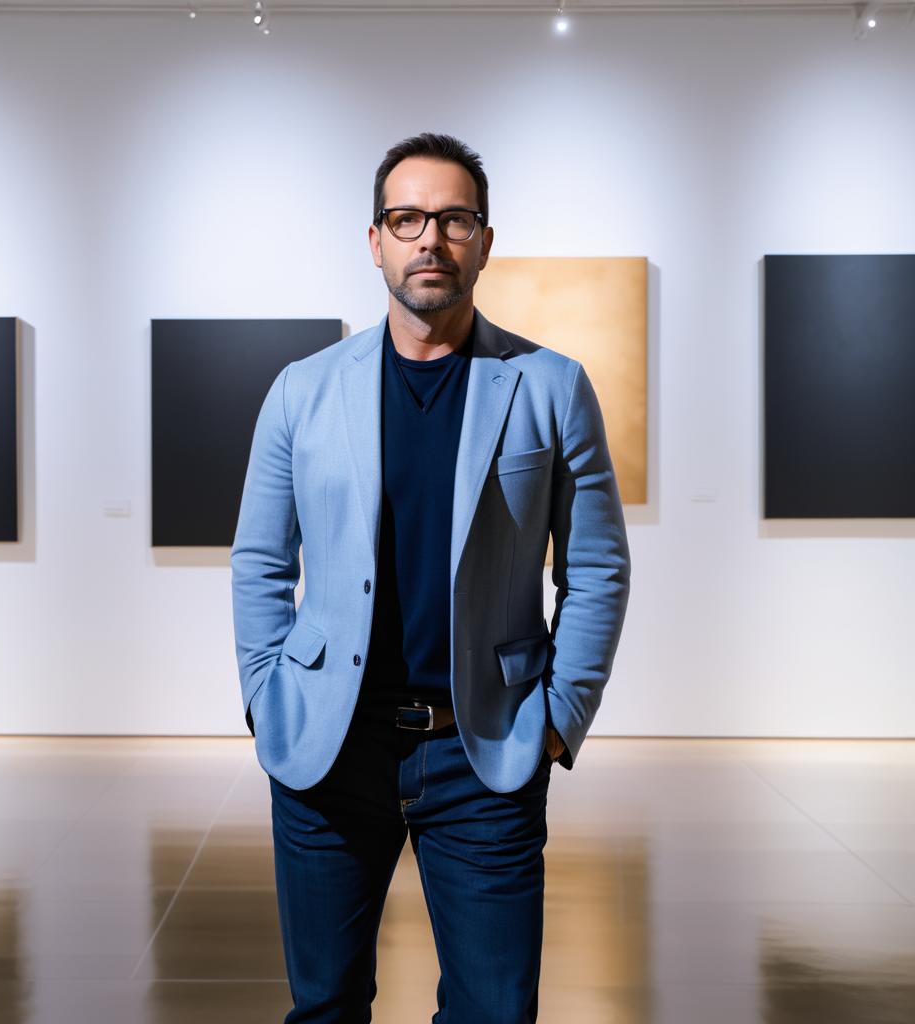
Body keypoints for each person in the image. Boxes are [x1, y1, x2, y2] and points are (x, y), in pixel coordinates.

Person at [230, 132, 631, 1024]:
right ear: (375, 239)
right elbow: (260, 559)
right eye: (407, 218)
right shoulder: (302, 390)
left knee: (493, 1011)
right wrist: (267, 698)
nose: (430, 240)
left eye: (454, 219)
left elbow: (597, 565)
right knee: (325, 1005)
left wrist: (559, 721)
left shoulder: (551, 386)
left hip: (481, 752)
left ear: (484, 241)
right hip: (328, 748)